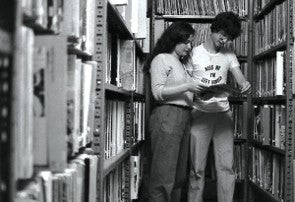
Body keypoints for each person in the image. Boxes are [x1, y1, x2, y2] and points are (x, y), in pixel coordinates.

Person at [188, 12, 251, 202]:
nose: (224, 41)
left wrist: (244, 84)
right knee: (196, 168)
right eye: (222, 35)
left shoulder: (229, 54)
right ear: (213, 29)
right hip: (199, 114)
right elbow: (186, 84)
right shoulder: (194, 53)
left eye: (229, 38)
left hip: (223, 115)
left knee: (226, 167)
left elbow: (239, 78)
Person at [144, 22, 206, 202]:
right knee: (163, 176)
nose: (189, 46)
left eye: (191, 43)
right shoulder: (161, 59)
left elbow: (182, 92)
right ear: (174, 40)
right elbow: (158, 92)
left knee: (179, 176)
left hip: (184, 117)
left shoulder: (181, 64)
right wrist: (188, 85)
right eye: (186, 42)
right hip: (167, 115)